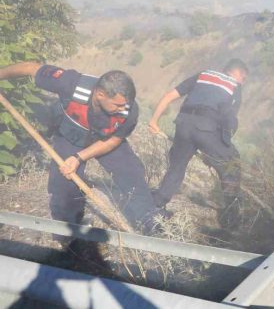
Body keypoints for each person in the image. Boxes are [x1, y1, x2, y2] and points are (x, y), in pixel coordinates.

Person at [0, 62, 161, 236]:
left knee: (132, 173)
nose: (123, 108)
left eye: (125, 104)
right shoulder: (70, 83)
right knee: (63, 185)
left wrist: (79, 157)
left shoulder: (129, 110)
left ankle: (150, 222)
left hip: (104, 139)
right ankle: (67, 229)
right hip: (71, 134)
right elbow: (30, 68)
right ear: (100, 94)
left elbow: (113, 141)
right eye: (117, 105)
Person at [148, 59, 248, 228]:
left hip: (183, 125)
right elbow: (229, 121)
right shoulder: (235, 87)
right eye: (244, 78)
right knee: (232, 163)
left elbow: (169, 96)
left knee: (177, 167)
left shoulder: (204, 74)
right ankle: (232, 218)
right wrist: (220, 147)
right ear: (239, 74)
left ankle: (155, 206)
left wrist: (154, 121)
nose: (243, 82)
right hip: (206, 129)